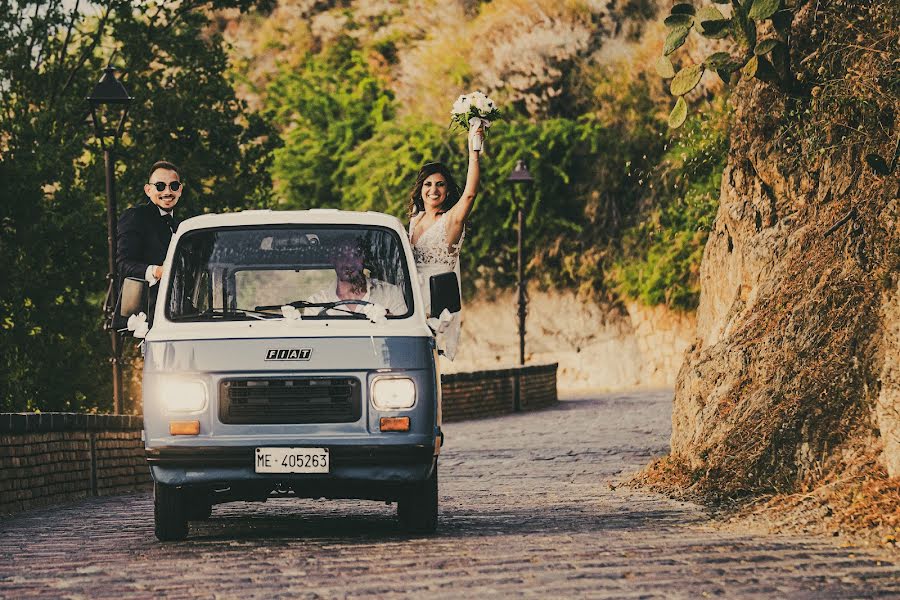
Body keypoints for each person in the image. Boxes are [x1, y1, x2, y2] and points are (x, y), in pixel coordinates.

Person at [407, 127, 481, 360]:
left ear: (447, 191)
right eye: (428, 184)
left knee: (431, 358)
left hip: (438, 298)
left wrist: (474, 152)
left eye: (440, 184)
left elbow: (469, 195)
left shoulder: (450, 221)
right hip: (411, 298)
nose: (433, 190)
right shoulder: (414, 220)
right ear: (421, 189)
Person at [116, 160, 184, 319]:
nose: (167, 192)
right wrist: (156, 271)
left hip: (180, 317)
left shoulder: (181, 227)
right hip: (143, 317)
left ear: (180, 190)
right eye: (160, 186)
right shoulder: (135, 217)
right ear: (148, 190)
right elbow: (123, 264)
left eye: (173, 186)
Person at [306, 238, 407, 316]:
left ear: (363, 258)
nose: (349, 263)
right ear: (333, 260)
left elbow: (404, 335)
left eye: (355, 255)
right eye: (342, 256)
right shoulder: (316, 303)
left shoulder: (391, 293)